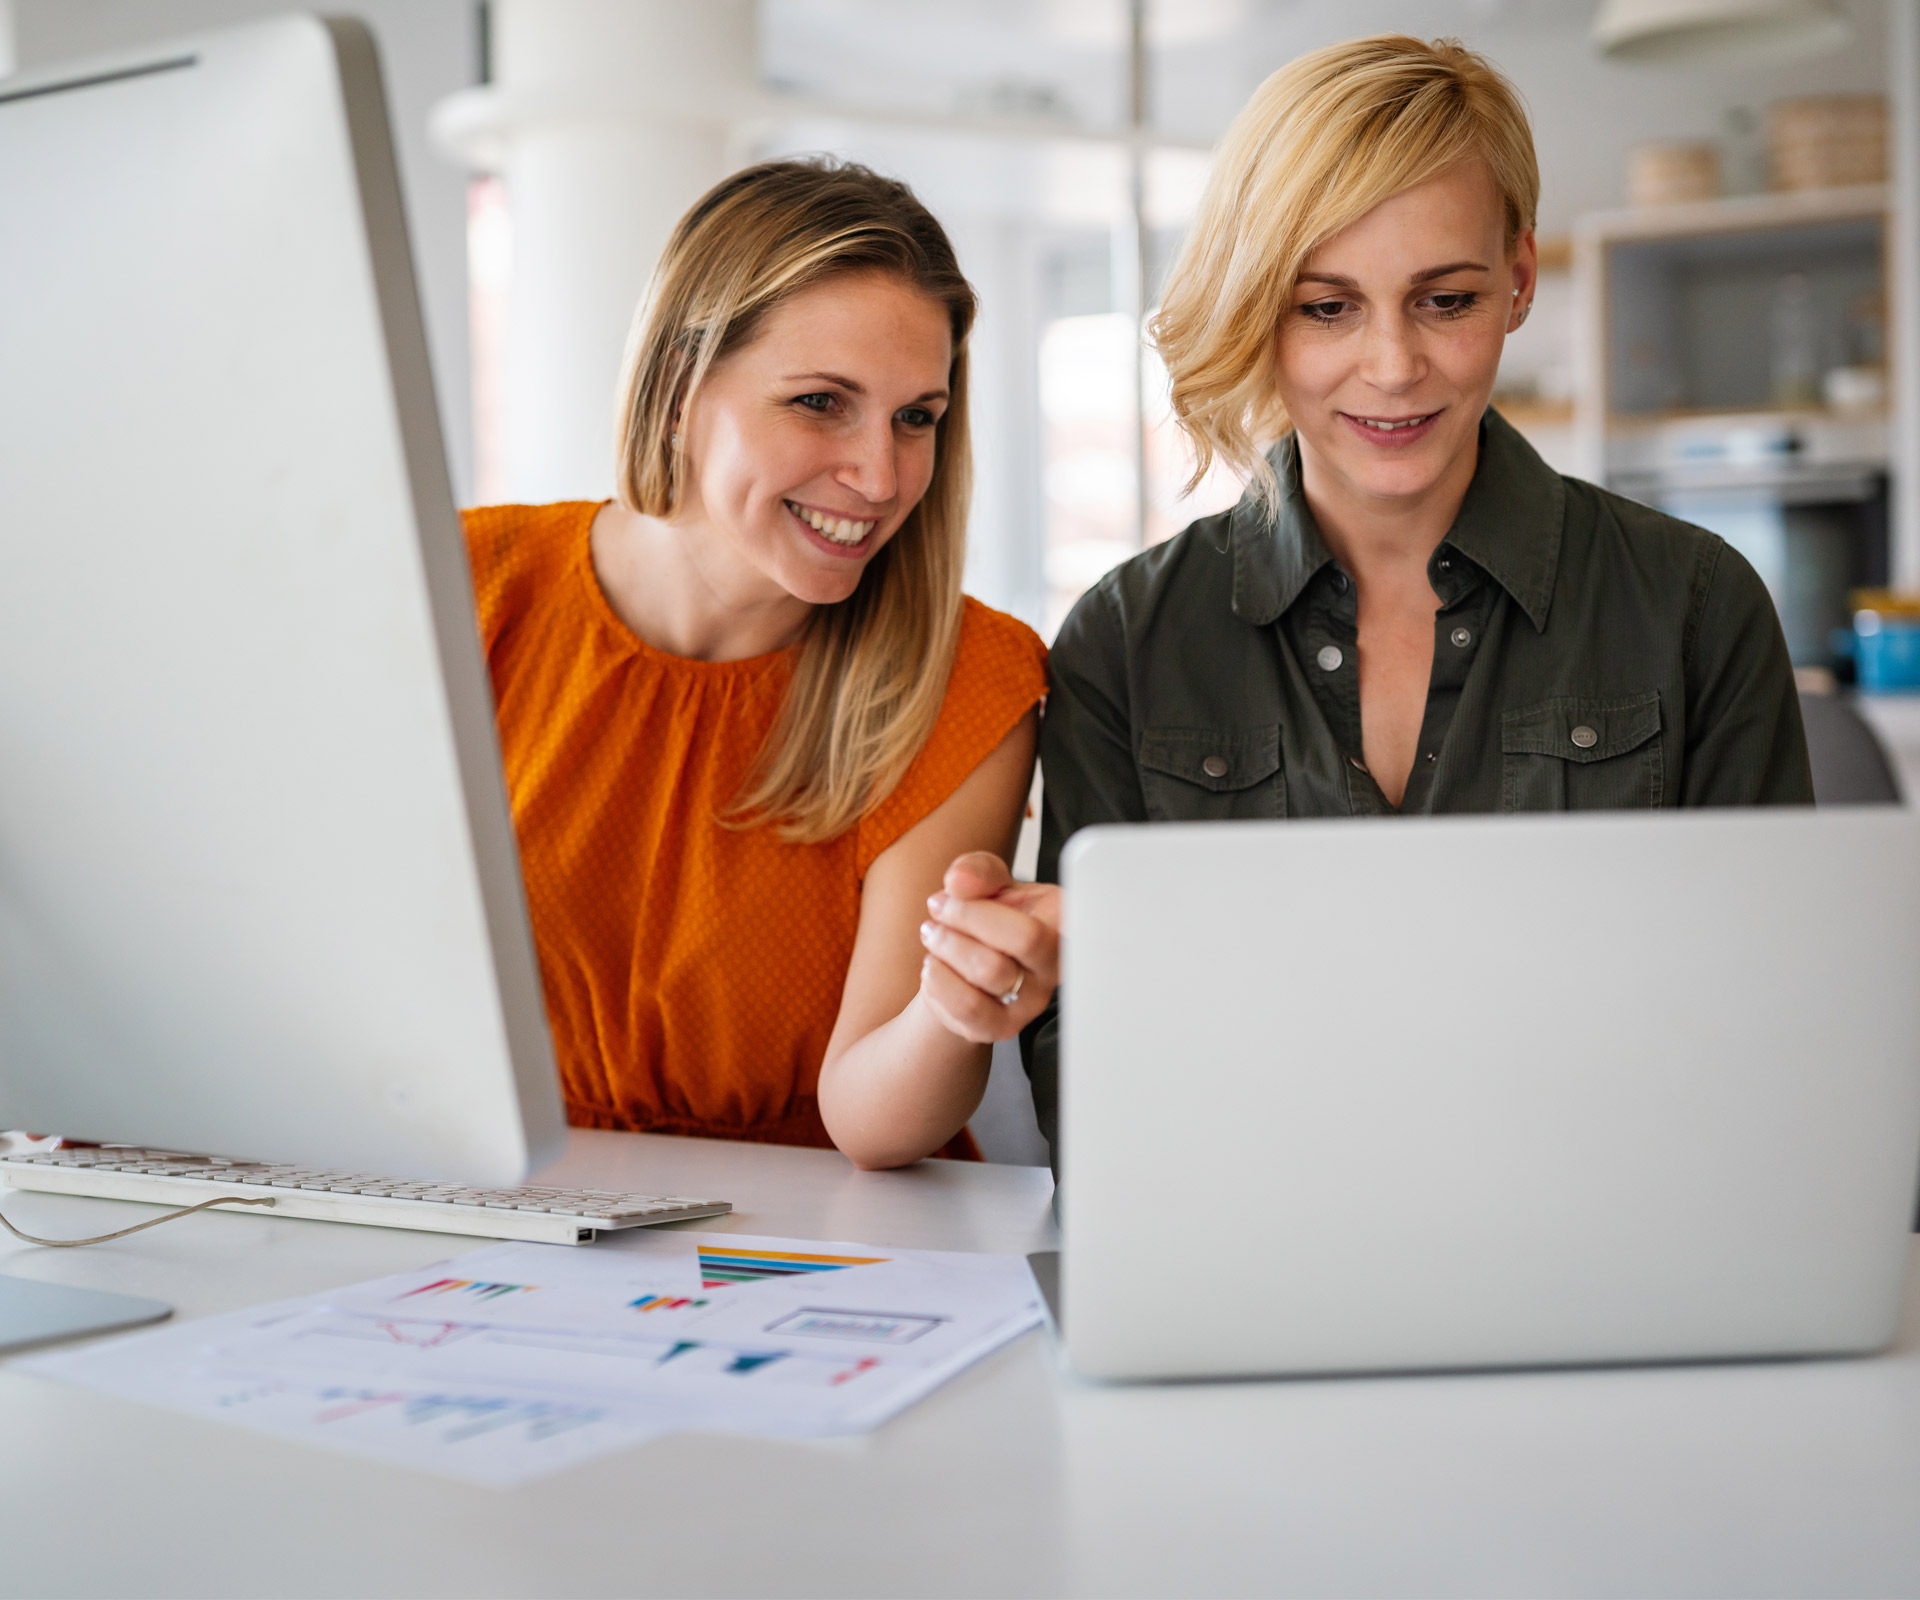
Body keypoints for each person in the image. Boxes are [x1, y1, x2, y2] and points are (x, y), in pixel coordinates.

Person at [1018, 34, 1813, 1172]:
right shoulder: (1125, 640)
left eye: (1445, 300)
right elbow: (1086, 1081)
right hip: (1258, 1238)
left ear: (1521, 282)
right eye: (1326, 308)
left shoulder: (1694, 604)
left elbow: (1772, 1030)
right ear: (1259, 309)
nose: (1392, 367)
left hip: (1611, 1229)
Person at [463, 159, 1059, 1171]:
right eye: (822, 402)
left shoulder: (968, 677)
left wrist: (954, 1008)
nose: (879, 476)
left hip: (817, 1230)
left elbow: (872, 1121)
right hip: (497, 1196)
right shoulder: (466, 585)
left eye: (916, 416)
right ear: (681, 388)